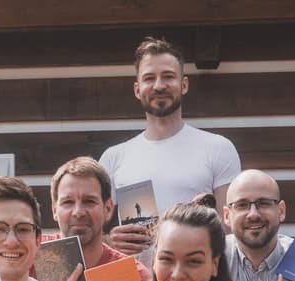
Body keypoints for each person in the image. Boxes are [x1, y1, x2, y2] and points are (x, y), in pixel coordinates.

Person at [101, 37, 242, 255]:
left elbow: (231, 229)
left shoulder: (218, 148)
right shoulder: (114, 157)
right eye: (149, 78)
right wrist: (109, 240)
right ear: (137, 90)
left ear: (184, 84)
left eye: (168, 76)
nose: (159, 86)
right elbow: (93, 232)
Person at [222, 170, 293, 281]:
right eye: (242, 205)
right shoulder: (214, 260)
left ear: (281, 211)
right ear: (227, 215)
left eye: (264, 203)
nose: (253, 214)